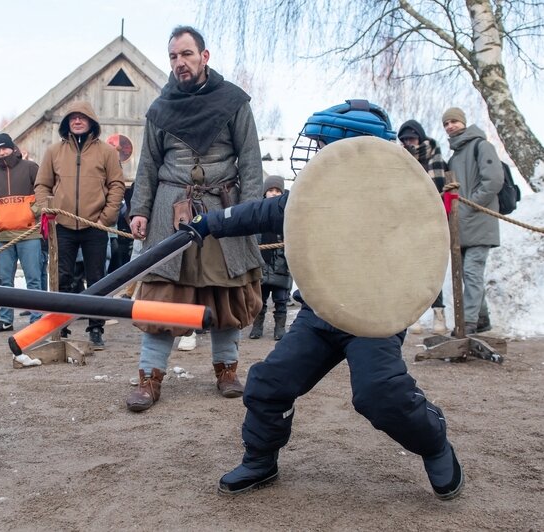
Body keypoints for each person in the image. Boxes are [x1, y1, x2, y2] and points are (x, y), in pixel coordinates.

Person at [187, 100, 464, 501]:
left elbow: (421, 252)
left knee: (379, 394)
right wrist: (211, 222)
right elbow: (266, 211)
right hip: (322, 312)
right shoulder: (316, 195)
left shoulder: (399, 196)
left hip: (374, 313)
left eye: (324, 147)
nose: (317, 155)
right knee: (269, 383)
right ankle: (261, 459)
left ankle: (434, 440)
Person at [126, 26, 263, 411]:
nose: (179, 63)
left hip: (223, 208)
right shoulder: (160, 108)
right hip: (171, 209)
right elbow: (148, 165)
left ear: (205, 56)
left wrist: (250, 211)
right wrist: (139, 209)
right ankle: (149, 377)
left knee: (226, 293)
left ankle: (227, 370)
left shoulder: (233, 101)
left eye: (186, 54)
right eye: (173, 56)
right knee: (161, 296)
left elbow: (250, 158)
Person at [34, 101, 125, 349]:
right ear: (66, 123)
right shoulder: (54, 151)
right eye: (72, 118)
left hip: (95, 225)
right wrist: (46, 207)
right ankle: (60, 326)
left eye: (81, 117)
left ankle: (96, 329)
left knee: (97, 279)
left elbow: (117, 185)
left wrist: (106, 217)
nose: (77, 121)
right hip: (62, 224)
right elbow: (42, 185)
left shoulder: (107, 152)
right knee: (62, 278)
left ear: (91, 121)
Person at [442, 107, 504, 335]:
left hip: (479, 221)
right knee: (470, 274)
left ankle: (467, 323)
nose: (450, 126)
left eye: (454, 121)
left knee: (472, 271)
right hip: (462, 223)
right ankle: (481, 319)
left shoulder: (481, 146)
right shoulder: (455, 156)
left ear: (463, 122)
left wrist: (469, 205)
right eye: (446, 123)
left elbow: (493, 180)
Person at [0, 133, 42, 333]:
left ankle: (37, 318)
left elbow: (44, 191)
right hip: (4, 235)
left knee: (33, 278)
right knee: (5, 280)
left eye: (4, 148)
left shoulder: (31, 168)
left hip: (30, 234)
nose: (1, 152)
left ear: (12, 148)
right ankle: (6, 319)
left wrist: (33, 212)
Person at [397, 120, 449, 335]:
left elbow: (440, 186)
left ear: (421, 138)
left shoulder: (434, 156)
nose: (409, 143)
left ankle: (439, 314)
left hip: (431, 222)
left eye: (412, 138)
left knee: (431, 271)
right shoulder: (397, 158)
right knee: (409, 270)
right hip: (406, 222)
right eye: (405, 139)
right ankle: (413, 315)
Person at [248, 175, 292, 341]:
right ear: (265, 192)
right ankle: (257, 326)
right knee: (260, 300)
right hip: (263, 264)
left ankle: (279, 328)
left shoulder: (288, 211)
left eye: (277, 190)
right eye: (270, 190)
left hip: (282, 264)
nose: (273, 193)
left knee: (281, 300)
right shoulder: (258, 211)